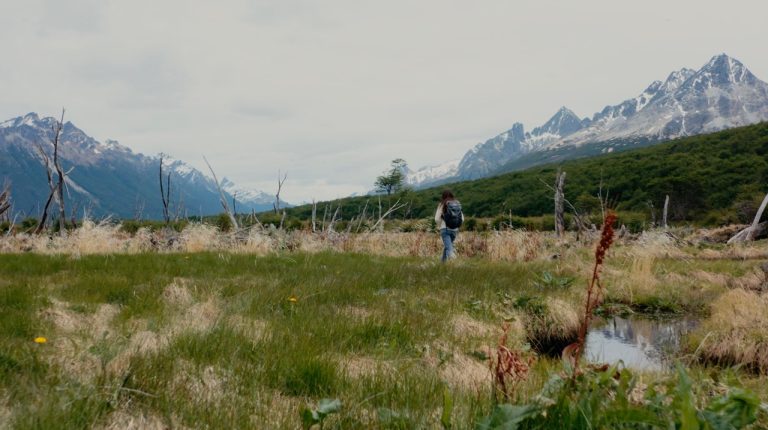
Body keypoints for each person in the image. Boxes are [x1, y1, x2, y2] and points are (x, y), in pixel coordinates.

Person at [435, 190, 464, 262]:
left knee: (449, 249)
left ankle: (453, 264)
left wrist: (440, 226)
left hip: (445, 229)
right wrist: (456, 225)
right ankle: (442, 264)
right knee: (447, 247)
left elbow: (436, 219)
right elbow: (462, 219)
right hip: (454, 230)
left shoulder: (442, 204)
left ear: (443, 196)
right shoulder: (457, 204)